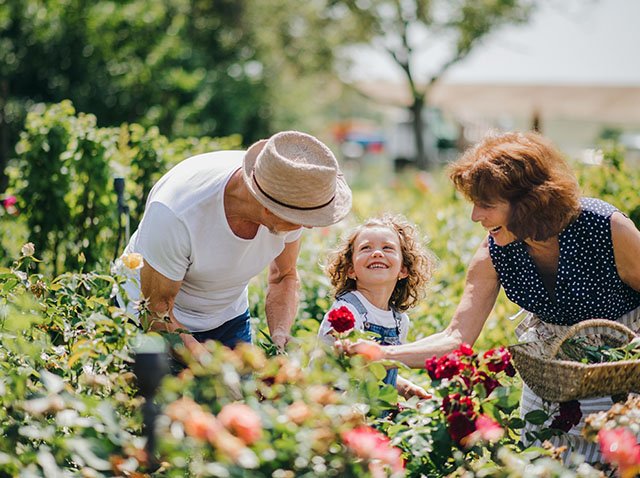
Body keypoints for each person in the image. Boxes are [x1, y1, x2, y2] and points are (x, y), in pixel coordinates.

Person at [343, 131, 640, 461]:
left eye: (486, 205)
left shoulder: (605, 228)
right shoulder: (495, 252)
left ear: (530, 203)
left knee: (615, 458)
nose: (475, 216)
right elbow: (457, 338)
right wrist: (380, 353)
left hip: (620, 365)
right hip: (551, 369)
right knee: (542, 457)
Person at [118, 130, 352, 362]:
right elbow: (156, 311)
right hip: (152, 318)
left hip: (227, 317)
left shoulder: (291, 188)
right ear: (269, 208)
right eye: (303, 220)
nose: (308, 227)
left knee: (241, 398)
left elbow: (284, 276)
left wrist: (279, 334)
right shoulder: (176, 213)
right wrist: (211, 367)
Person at [318, 214, 435, 399]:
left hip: (371, 416)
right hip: (333, 408)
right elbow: (346, 372)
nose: (377, 253)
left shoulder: (399, 321)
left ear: (403, 269)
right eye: (366, 248)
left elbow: (377, 372)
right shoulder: (346, 312)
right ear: (351, 270)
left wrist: (405, 388)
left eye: (387, 248)